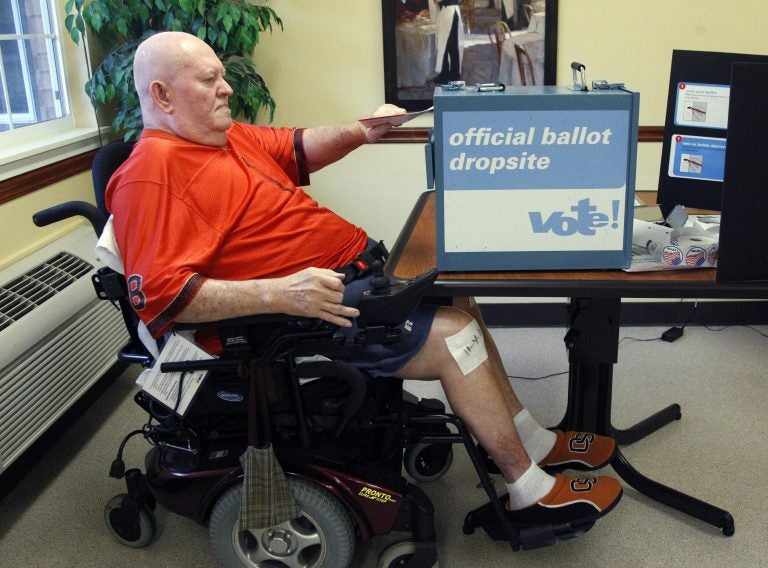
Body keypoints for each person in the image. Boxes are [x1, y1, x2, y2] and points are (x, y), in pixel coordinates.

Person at [106, 31, 622, 526]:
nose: (226, 89)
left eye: (222, 76)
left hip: (353, 277)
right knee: (455, 337)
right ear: (163, 95)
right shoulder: (152, 175)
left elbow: (297, 146)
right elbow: (161, 296)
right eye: (209, 80)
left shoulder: (223, 136)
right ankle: (528, 492)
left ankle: (528, 439)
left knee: (459, 297)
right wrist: (281, 292)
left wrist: (362, 130)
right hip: (300, 311)